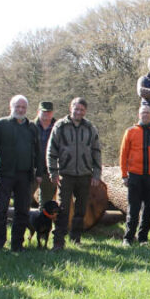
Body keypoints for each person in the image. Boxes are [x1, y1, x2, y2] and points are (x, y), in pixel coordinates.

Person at [0, 95, 44, 252]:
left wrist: (39, 172)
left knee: (22, 211)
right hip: (4, 175)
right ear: (10, 107)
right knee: (1, 210)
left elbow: (39, 152)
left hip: (25, 176)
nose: (20, 110)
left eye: (23, 107)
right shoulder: (1, 124)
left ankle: (17, 245)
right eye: (17, 107)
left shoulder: (32, 128)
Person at [47, 97, 102, 248]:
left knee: (81, 208)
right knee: (63, 208)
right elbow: (51, 151)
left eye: (82, 110)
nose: (79, 112)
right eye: (76, 109)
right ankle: (58, 241)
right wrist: (53, 172)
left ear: (85, 111)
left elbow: (96, 152)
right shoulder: (60, 126)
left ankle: (76, 238)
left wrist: (97, 174)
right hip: (65, 174)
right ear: (71, 108)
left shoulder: (90, 128)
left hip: (85, 175)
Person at [119, 105, 150, 246]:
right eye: (142, 113)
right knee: (133, 208)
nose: (145, 115)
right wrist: (124, 175)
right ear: (138, 115)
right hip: (134, 176)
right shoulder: (130, 131)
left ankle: (143, 238)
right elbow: (123, 155)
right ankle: (128, 238)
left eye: (147, 113)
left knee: (147, 209)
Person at [33, 101, 57, 206]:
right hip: (31, 170)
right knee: (23, 198)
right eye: (44, 111)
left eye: (49, 112)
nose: (46, 114)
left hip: (49, 170)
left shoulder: (58, 127)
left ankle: (42, 222)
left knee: (46, 203)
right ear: (38, 112)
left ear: (52, 113)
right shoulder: (30, 126)